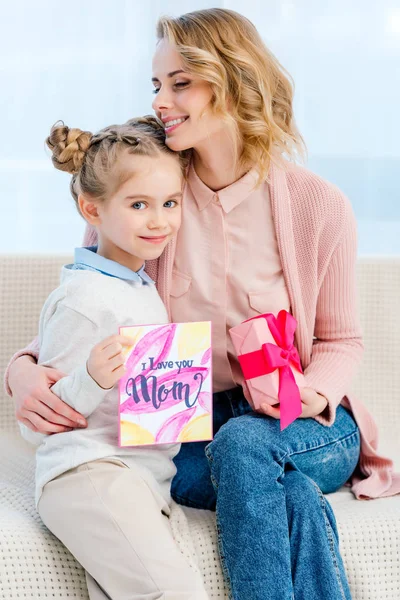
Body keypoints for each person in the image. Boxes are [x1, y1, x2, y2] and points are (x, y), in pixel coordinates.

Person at [5, 8, 400, 600]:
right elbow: (95, 301)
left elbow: (342, 342)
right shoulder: (149, 194)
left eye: (180, 83)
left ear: (234, 80)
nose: (162, 100)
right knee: (277, 487)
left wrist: (309, 393)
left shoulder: (318, 206)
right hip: (187, 424)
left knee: (248, 445)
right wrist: (22, 369)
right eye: (157, 85)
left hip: (304, 423)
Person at [17, 116, 209, 600]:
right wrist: (89, 379)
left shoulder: (140, 286)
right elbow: (35, 425)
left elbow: (151, 409)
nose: (158, 220)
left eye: (169, 203)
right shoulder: (83, 298)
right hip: (88, 474)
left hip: (141, 479)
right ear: (92, 209)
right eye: (139, 204)